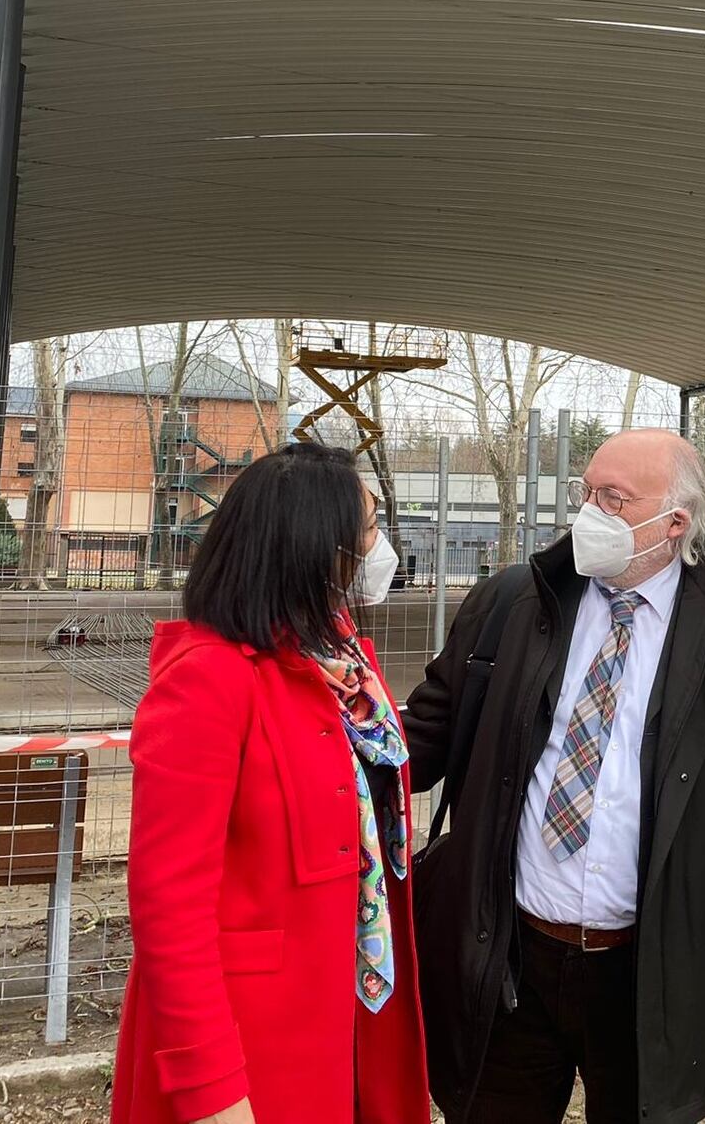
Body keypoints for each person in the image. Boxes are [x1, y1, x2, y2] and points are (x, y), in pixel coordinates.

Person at [404, 428, 705, 1124]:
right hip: (510, 958)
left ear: (674, 523)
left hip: (651, 975)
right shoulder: (518, 601)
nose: (588, 512)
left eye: (613, 499)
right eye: (585, 492)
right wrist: (312, 746)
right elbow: (423, 735)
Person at [112, 443, 430, 1124]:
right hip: (253, 1043)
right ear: (317, 548)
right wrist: (212, 1088)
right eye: (369, 529)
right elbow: (170, 905)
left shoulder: (340, 665)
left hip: (346, 1010)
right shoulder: (209, 678)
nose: (382, 548)